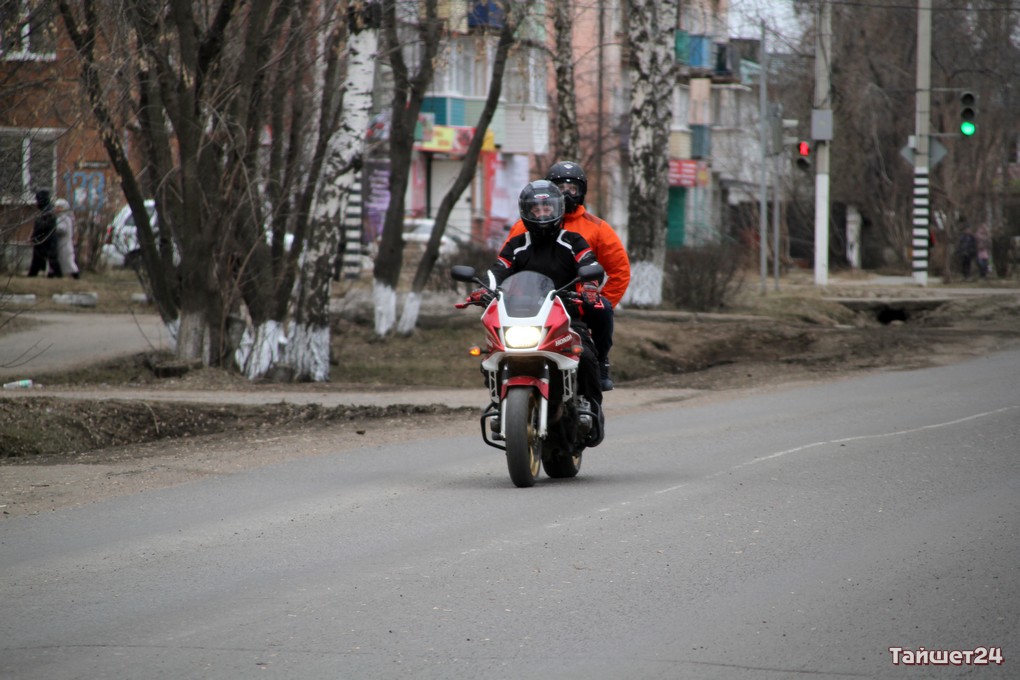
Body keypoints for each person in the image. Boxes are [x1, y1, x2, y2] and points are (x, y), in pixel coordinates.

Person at [467, 180, 605, 441]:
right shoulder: (517, 245)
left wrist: (588, 287)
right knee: (490, 356)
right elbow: (498, 271)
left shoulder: (573, 241)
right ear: (526, 212)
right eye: (536, 210)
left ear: (559, 210)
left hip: (565, 317)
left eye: (547, 209)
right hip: (523, 315)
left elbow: (589, 264)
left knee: (585, 355)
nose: (542, 215)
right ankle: (501, 407)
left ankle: (589, 406)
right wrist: (485, 290)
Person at [501, 161, 630, 390]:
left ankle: (601, 361)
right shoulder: (523, 227)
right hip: (532, 306)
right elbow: (506, 265)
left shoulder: (597, 228)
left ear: (582, 192)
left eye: (573, 188)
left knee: (604, 310)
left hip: (577, 303)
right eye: (560, 188)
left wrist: (595, 297)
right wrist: (513, 298)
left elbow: (619, 270)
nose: (566, 194)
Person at [27, 189, 62, 278]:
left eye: (38, 200)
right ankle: (32, 275)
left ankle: (58, 276)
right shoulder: (46, 210)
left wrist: (34, 235)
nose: (36, 203)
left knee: (51, 259)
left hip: (47, 240)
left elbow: (42, 226)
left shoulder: (48, 211)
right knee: (39, 259)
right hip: (44, 240)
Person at [53, 198, 81, 279]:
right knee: (62, 260)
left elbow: (62, 229)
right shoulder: (63, 218)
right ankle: (56, 274)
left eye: (59, 207)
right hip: (62, 243)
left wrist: (54, 229)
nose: (57, 209)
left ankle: (75, 275)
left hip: (64, 243)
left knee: (68, 261)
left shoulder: (63, 218)